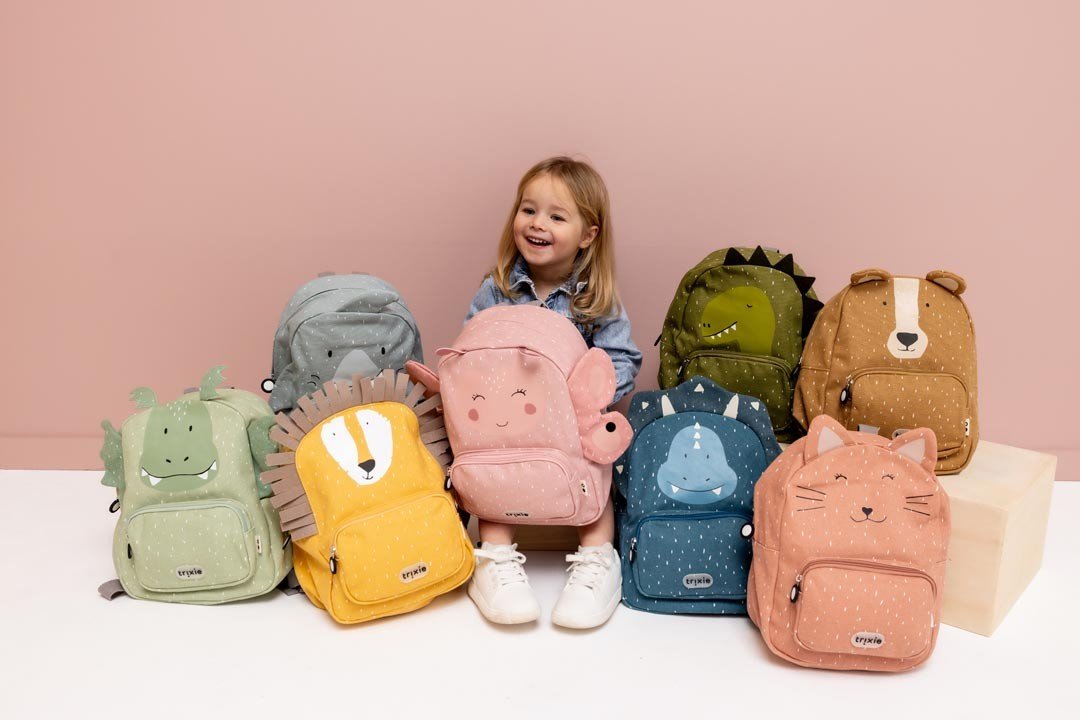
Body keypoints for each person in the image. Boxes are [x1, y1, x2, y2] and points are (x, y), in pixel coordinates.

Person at [464, 156, 641, 628]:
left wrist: (584, 393)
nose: (538, 224)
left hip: (568, 424)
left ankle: (597, 560)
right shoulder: (497, 290)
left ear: (587, 234)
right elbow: (471, 351)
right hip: (509, 420)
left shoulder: (595, 299)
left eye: (556, 217)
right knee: (493, 470)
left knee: (594, 464)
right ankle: (494, 557)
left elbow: (624, 360)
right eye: (529, 210)